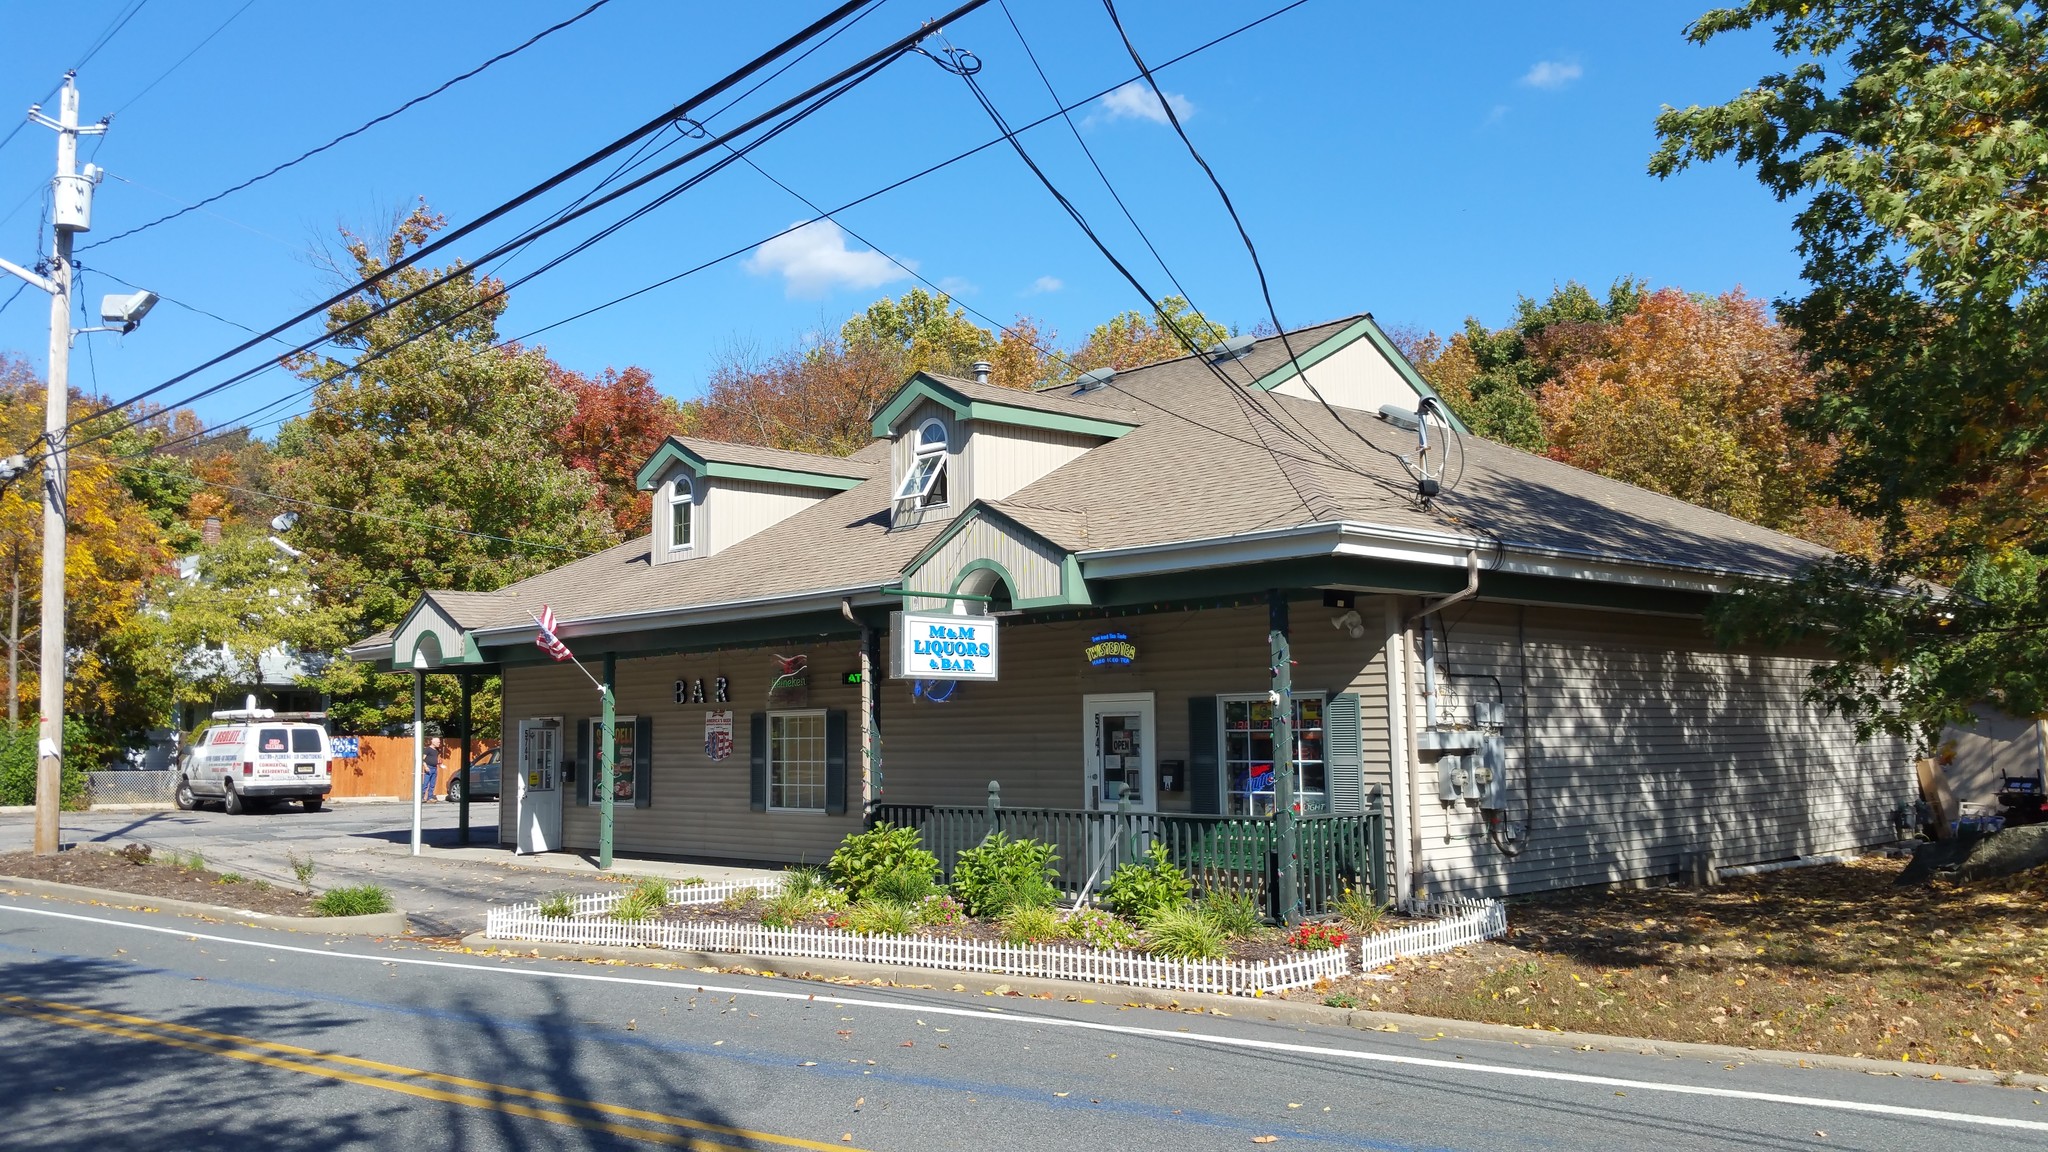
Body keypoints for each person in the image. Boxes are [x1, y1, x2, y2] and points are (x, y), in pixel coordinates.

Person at [422, 736, 443, 802]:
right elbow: (423, 759)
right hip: (429, 768)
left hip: (434, 768)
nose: (439, 743)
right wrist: (425, 767)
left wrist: (440, 764)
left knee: (432, 784)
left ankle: (430, 798)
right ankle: (422, 797)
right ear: (433, 742)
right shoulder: (427, 749)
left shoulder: (437, 750)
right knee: (425, 783)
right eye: (438, 742)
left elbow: (436, 759)